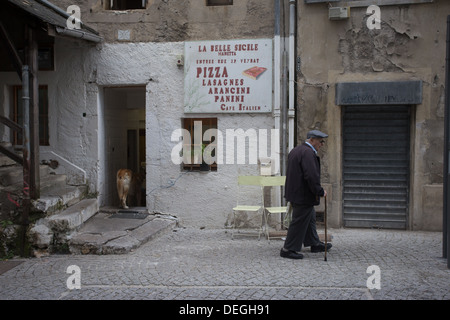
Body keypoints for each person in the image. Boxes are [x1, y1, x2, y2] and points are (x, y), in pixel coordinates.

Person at [280, 130, 332, 259]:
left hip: (297, 192)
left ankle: (314, 243)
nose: (322, 144)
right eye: (320, 141)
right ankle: (288, 249)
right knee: (299, 221)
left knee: (309, 218)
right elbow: (311, 175)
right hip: (302, 194)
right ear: (312, 140)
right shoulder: (307, 153)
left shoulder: (297, 150)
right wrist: (319, 191)